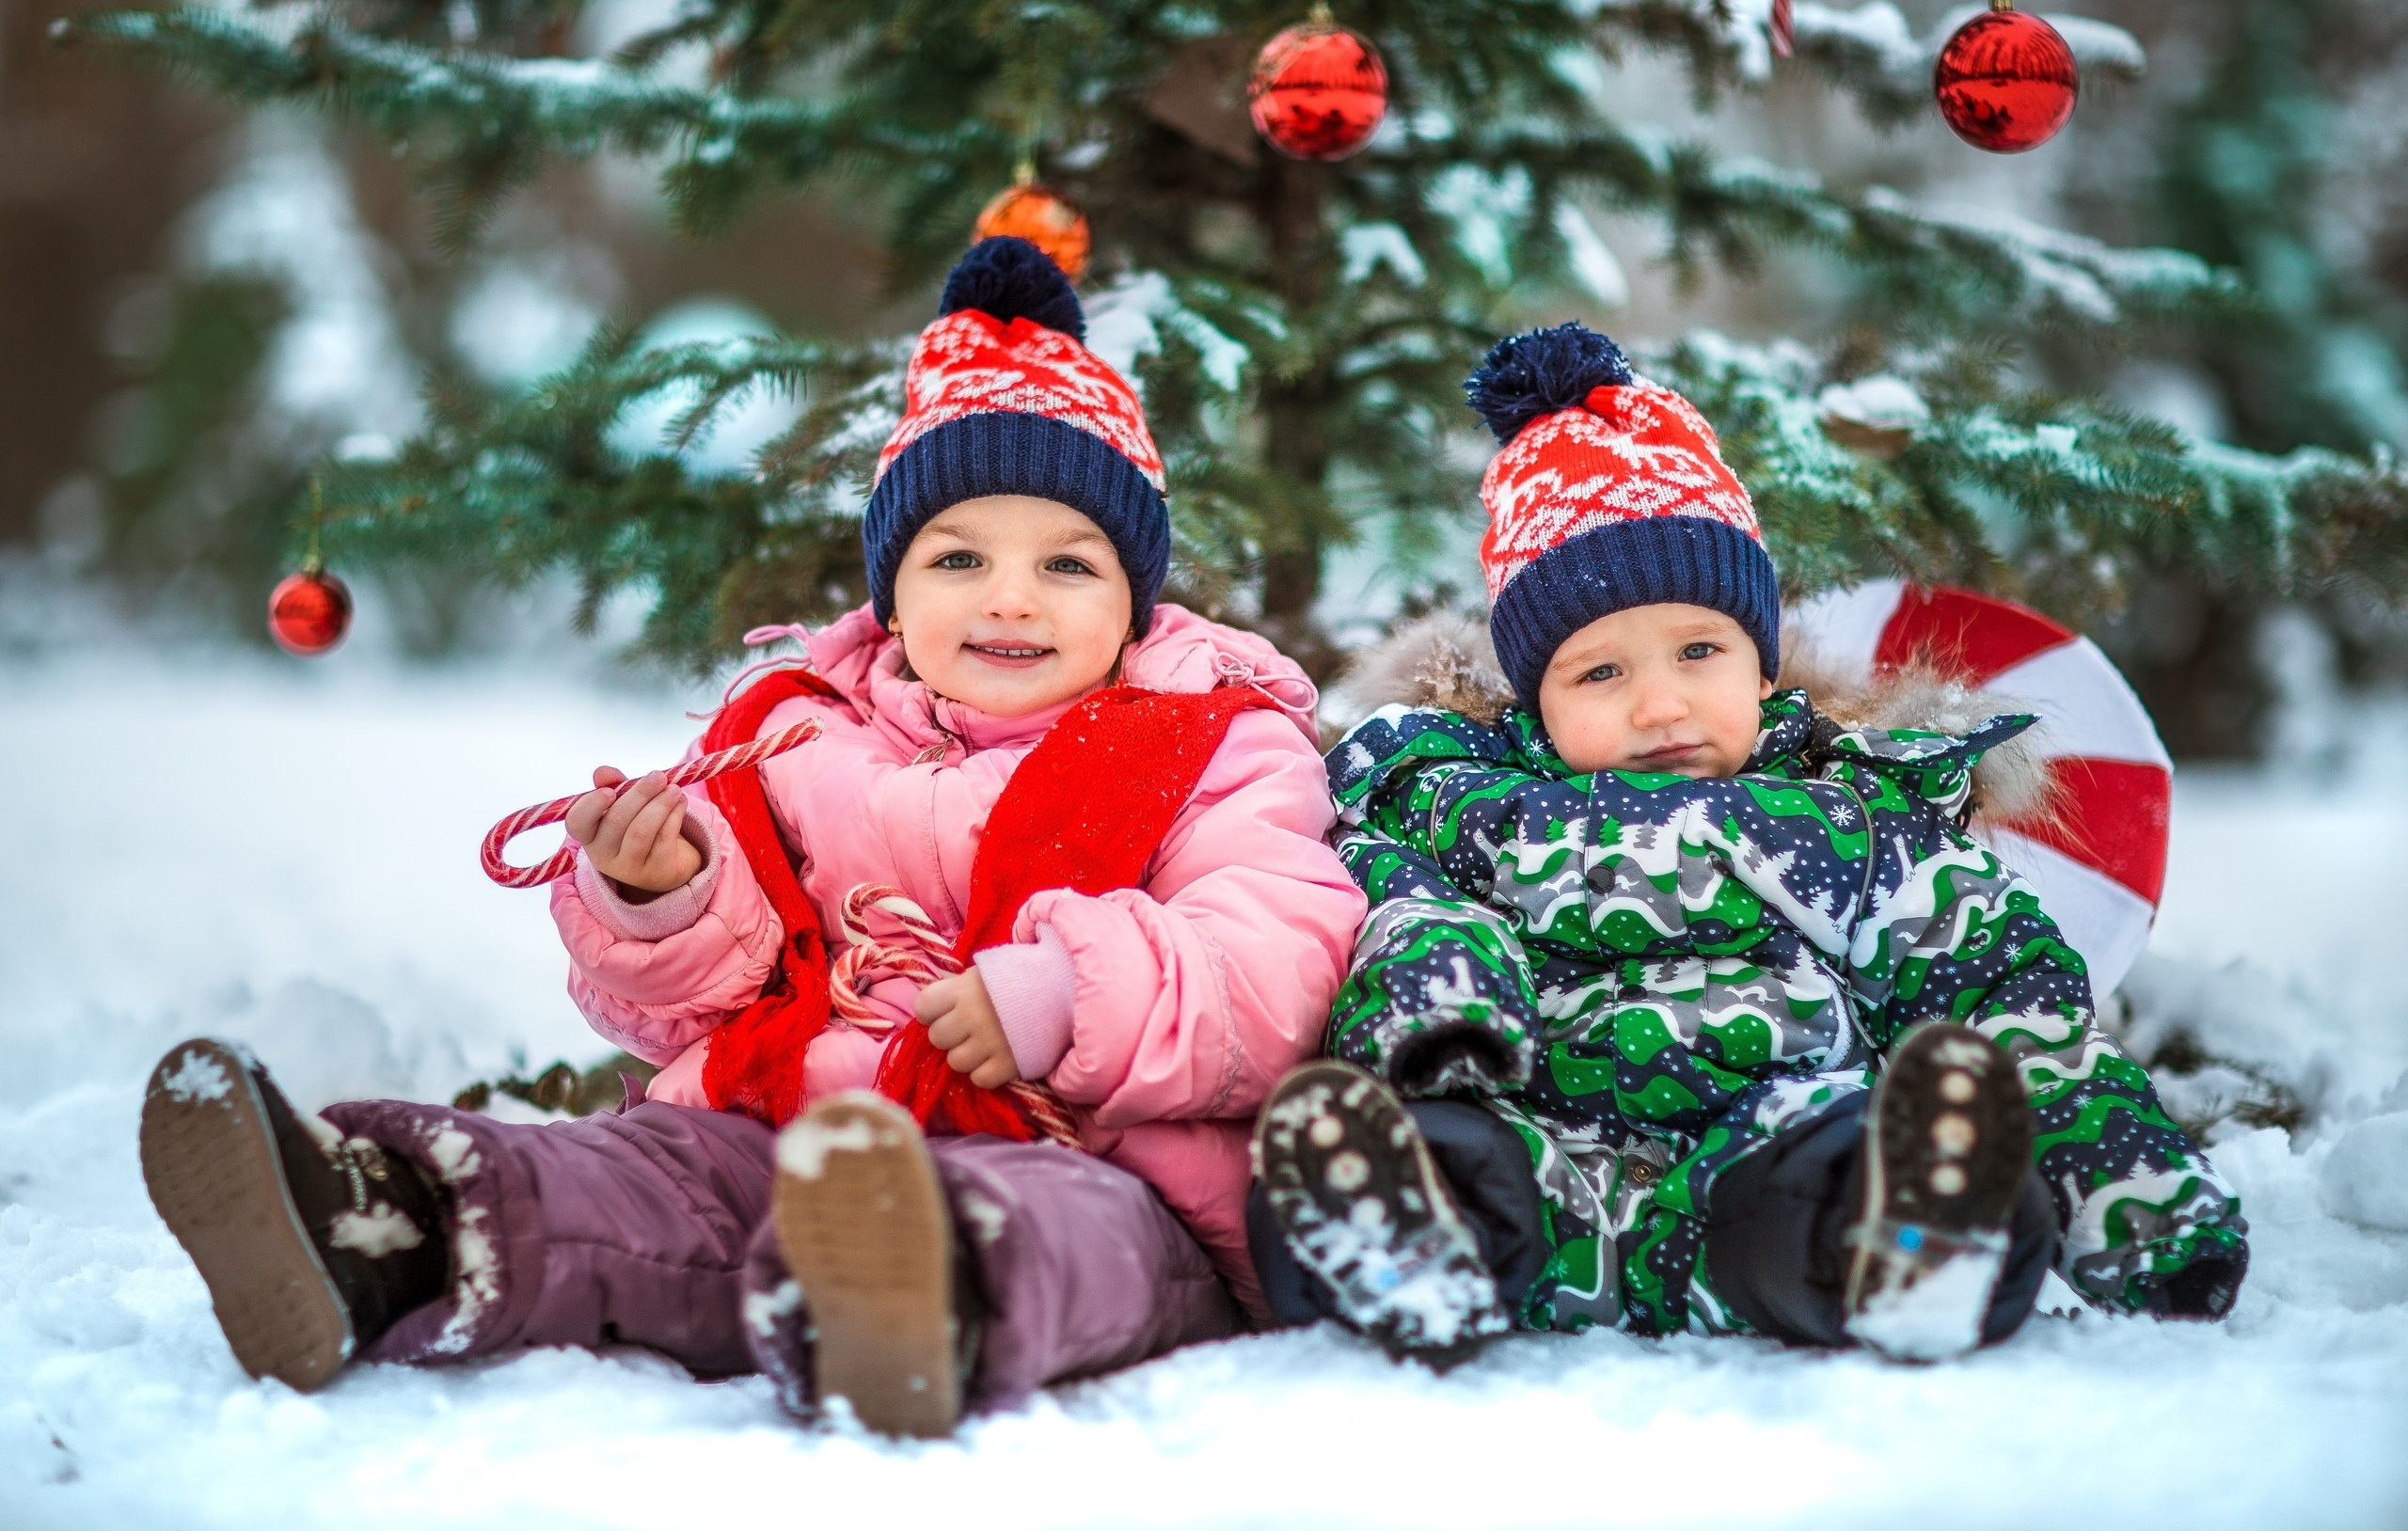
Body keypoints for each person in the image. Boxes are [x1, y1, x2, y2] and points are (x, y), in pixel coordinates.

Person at [139, 237, 1363, 1436]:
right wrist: (663, 892)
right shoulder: (796, 734)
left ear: (1134, 594)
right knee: (644, 1177)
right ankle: (388, 1222)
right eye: (957, 555)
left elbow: (1280, 959)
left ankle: (919, 1294)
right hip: (791, 1131)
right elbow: (695, 1005)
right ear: (893, 589)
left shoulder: (1208, 742)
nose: (1010, 595)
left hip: (1096, 1152)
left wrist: (1064, 992)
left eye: (1067, 562)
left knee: (1067, 1227)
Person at [1247, 323, 2247, 1365]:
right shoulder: (1454, 801)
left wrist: (2144, 1215)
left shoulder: (1853, 818)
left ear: (1763, 667)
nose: (1659, 703)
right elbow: (1395, 910)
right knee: (1429, 1151)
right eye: (1599, 674)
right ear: (1533, 702)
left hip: (1765, 1153)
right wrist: (1434, 1012)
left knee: (1853, 1153)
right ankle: (1405, 1249)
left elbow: (2000, 994)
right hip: (1538, 1162)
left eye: (1697, 651)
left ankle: (1910, 1240)